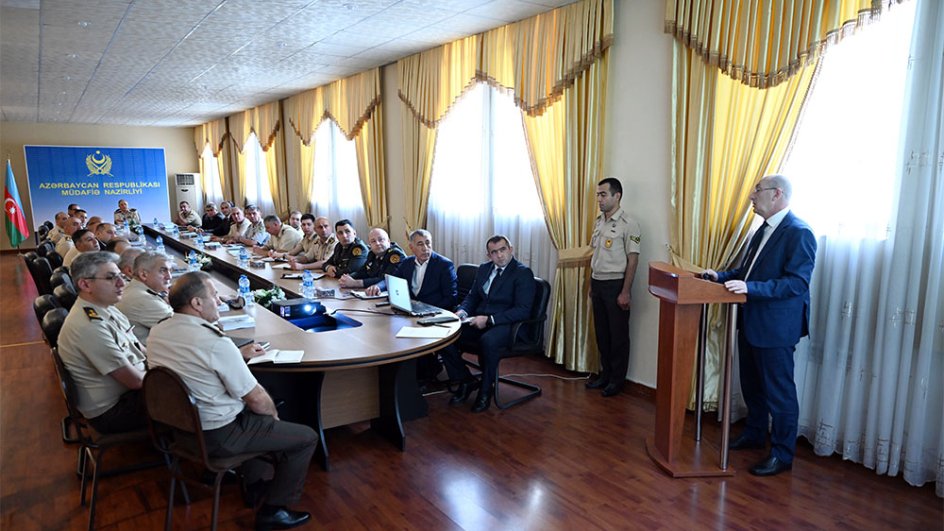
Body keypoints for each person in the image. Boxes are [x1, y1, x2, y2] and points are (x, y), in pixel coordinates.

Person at [147, 272, 317, 530]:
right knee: (304, 436)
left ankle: (255, 486)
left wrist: (235, 355)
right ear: (196, 303)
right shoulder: (214, 342)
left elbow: (196, 363)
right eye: (214, 296)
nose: (220, 300)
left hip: (181, 432)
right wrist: (274, 421)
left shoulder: (159, 331)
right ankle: (274, 510)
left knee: (257, 410)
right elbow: (256, 399)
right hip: (218, 436)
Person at [703, 174, 816, 477]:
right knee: (752, 386)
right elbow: (747, 272)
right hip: (750, 322)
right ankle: (754, 434)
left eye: (757, 190)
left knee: (779, 392)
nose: (752, 196)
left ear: (777, 194)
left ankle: (782, 454)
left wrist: (751, 290)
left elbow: (796, 283)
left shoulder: (799, 233)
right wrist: (721, 276)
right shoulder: (761, 231)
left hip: (776, 328)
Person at [57, 252, 147, 433]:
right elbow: (136, 381)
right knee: (193, 390)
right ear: (85, 284)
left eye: (121, 276)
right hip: (112, 412)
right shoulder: (88, 326)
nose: (122, 283)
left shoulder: (106, 308)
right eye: (111, 278)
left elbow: (139, 349)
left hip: (127, 393)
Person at [446, 235, 535, 413]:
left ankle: (486, 391)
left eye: (503, 250)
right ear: (489, 255)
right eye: (494, 252)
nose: (500, 255)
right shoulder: (484, 269)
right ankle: (466, 380)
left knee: (488, 341)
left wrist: (490, 320)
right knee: (447, 336)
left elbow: (523, 310)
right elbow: (473, 296)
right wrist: (462, 311)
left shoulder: (522, 273)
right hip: (480, 320)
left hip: (508, 324)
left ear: (511, 249)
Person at [366, 229, 458, 385]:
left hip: (434, 313)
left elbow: (452, 298)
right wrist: (378, 286)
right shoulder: (407, 263)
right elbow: (391, 279)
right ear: (411, 247)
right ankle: (410, 373)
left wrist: (426, 310)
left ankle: (427, 373)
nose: (425, 248)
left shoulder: (444, 265)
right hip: (412, 311)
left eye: (428, 243)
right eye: (420, 244)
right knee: (384, 328)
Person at [586, 177, 642, 398]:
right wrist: (591, 284)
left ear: (616, 196)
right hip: (598, 282)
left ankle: (616, 381)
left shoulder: (629, 224)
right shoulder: (599, 222)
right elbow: (595, 255)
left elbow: (633, 260)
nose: (599, 199)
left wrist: (625, 291)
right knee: (602, 333)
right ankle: (604, 374)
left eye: (603, 194)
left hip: (616, 284)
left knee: (617, 336)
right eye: (598, 195)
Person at [115, 251, 174, 344]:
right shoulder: (142, 299)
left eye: (170, 271)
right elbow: (182, 328)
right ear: (143, 274)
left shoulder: (134, 289)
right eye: (163, 271)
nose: (169, 277)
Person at [338, 228, 405, 289]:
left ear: (388, 241)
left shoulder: (395, 255)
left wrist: (356, 283)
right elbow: (363, 271)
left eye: (381, 239)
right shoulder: (372, 254)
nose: (377, 243)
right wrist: (347, 278)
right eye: (373, 241)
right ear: (370, 245)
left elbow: (386, 280)